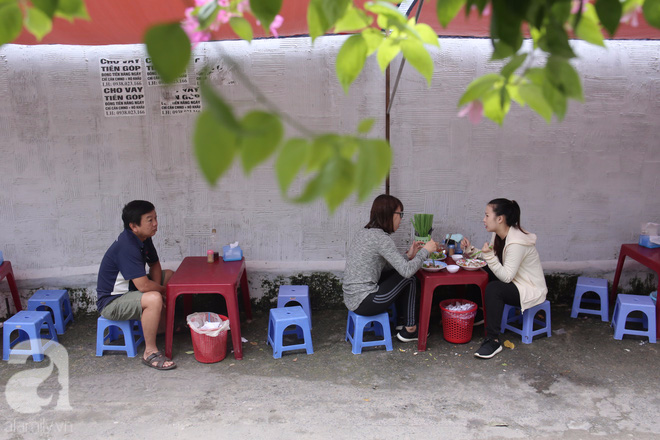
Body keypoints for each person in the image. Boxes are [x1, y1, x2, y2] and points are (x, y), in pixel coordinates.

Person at [343, 194, 439, 342]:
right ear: (388, 214)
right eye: (400, 214)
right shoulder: (382, 239)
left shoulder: (365, 233)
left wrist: (409, 255)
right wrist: (426, 251)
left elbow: (388, 266)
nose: (401, 219)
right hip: (365, 302)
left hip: (352, 298)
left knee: (400, 274)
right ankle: (410, 329)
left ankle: (404, 322)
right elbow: (406, 271)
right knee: (411, 278)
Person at [461, 198, 547, 359]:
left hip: (528, 288)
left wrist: (488, 256)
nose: (483, 219)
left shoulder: (517, 243)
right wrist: (470, 250)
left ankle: (493, 340)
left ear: (499, 219)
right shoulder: (500, 235)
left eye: (487, 215)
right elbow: (491, 257)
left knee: (494, 289)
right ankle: (480, 314)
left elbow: (506, 277)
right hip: (515, 280)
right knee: (478, 270)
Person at [97, 200, 176, 370]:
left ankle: (161, 328)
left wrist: (160, 286)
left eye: (156, 218)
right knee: (153, 298)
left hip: (131, 289)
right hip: (113, 301)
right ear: (134, 226)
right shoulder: (127, 246)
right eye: (149, 220)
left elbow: (154, 264)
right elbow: (143, 286)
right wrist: (164, 291)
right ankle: (150, 352)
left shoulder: (144, 238)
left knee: (168, 275)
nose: (155, 224)